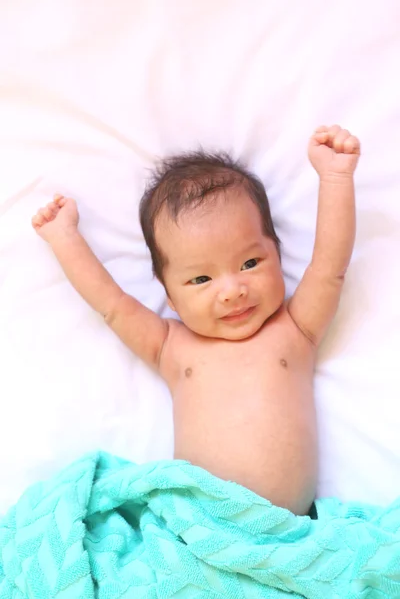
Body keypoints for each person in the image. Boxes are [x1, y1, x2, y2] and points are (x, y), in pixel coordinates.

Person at [32, 125, 360, 516]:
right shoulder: (171, 346)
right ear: (169, 294)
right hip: (198, 532)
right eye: (202, 279)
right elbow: (113, 304)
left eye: (250, 263)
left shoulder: (296, 328)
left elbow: (329, 267)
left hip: (289, 536)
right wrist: (65, 239)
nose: (232, 290)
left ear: (278, 254)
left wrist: (336, 177)